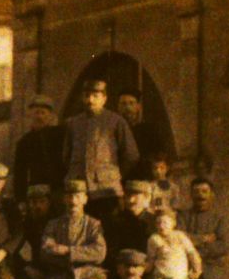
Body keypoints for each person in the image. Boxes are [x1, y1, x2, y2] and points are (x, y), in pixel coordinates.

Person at [61, 80, 138, 223]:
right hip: (80, 190)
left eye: (95, 96)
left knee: (109, 229)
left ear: (104, 98)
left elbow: (131, 155)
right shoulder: (72, 124)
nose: (90, 100)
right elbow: (66, 156)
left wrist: (114, 175)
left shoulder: (116, 122)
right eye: (87, 96)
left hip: (106, 190)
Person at [36, 180, 108, 279]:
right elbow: (45, 252)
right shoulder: (54, 224)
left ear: (85, 199)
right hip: (61, 274)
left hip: (89, 273)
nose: (73, 201)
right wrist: (54, 251)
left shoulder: (93, 224)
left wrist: (68, 251)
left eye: (77, 196)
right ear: (64, 199)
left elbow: (100, 253)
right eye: (69, 197)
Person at [180, 177, 229, 279]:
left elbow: (223, 246)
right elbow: (179, 239)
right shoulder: (182, 216)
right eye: (196, 191)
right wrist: (203, 239)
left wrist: (193, 247)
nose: (200, 195)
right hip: (186, 274)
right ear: (191, 194)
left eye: (204, 191)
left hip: (211, 278)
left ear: (211, 194)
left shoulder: (219, 218)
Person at [11, 95, 67, 203]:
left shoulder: (61, 135)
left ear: (50, 116)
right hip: (37, 193)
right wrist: (21, 200)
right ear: (31, 115)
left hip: (60, 190)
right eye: (36, 113)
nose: (39, 117)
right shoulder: (24, 143)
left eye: (43, 113)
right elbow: (19, 175)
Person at [146, 209, 202, 279]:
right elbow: (151, 260)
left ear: (173, 223)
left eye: (165, 222)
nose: (161, 226)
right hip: (160, 277)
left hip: (179, 277)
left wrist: (197, 269)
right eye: (158, 223)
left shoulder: (180, 236)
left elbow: (192, 253)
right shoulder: (153, 239)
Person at [103, 179, 158, 265]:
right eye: (128, 196)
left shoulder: (155, 222)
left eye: (136, 196)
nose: (131, 200)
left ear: (146, 198)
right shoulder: (116, 221)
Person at [113, 89, 166, 172]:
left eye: (131, 103)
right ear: (118, 107)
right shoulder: (112, 130)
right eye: (123, 104)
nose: (127, 107)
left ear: (138, 107)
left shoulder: (150, 130)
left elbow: (159, 156)